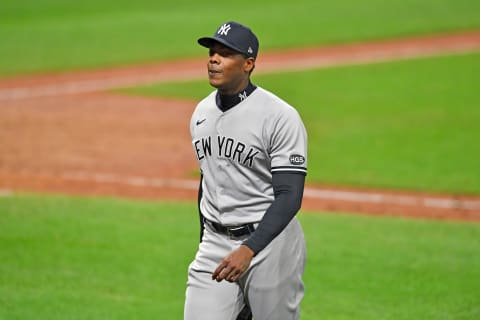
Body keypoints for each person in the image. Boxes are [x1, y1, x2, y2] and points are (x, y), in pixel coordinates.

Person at [184, 21, 308, 320]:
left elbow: (290, 195)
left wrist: (249, 249)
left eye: (225, 54)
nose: (213, 59)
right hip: (215, 243)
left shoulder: (279, 116)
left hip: (270, 244)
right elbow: (209, 182)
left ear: (248, 63)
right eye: (212, 52)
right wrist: (205, 239)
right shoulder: (201, 113)